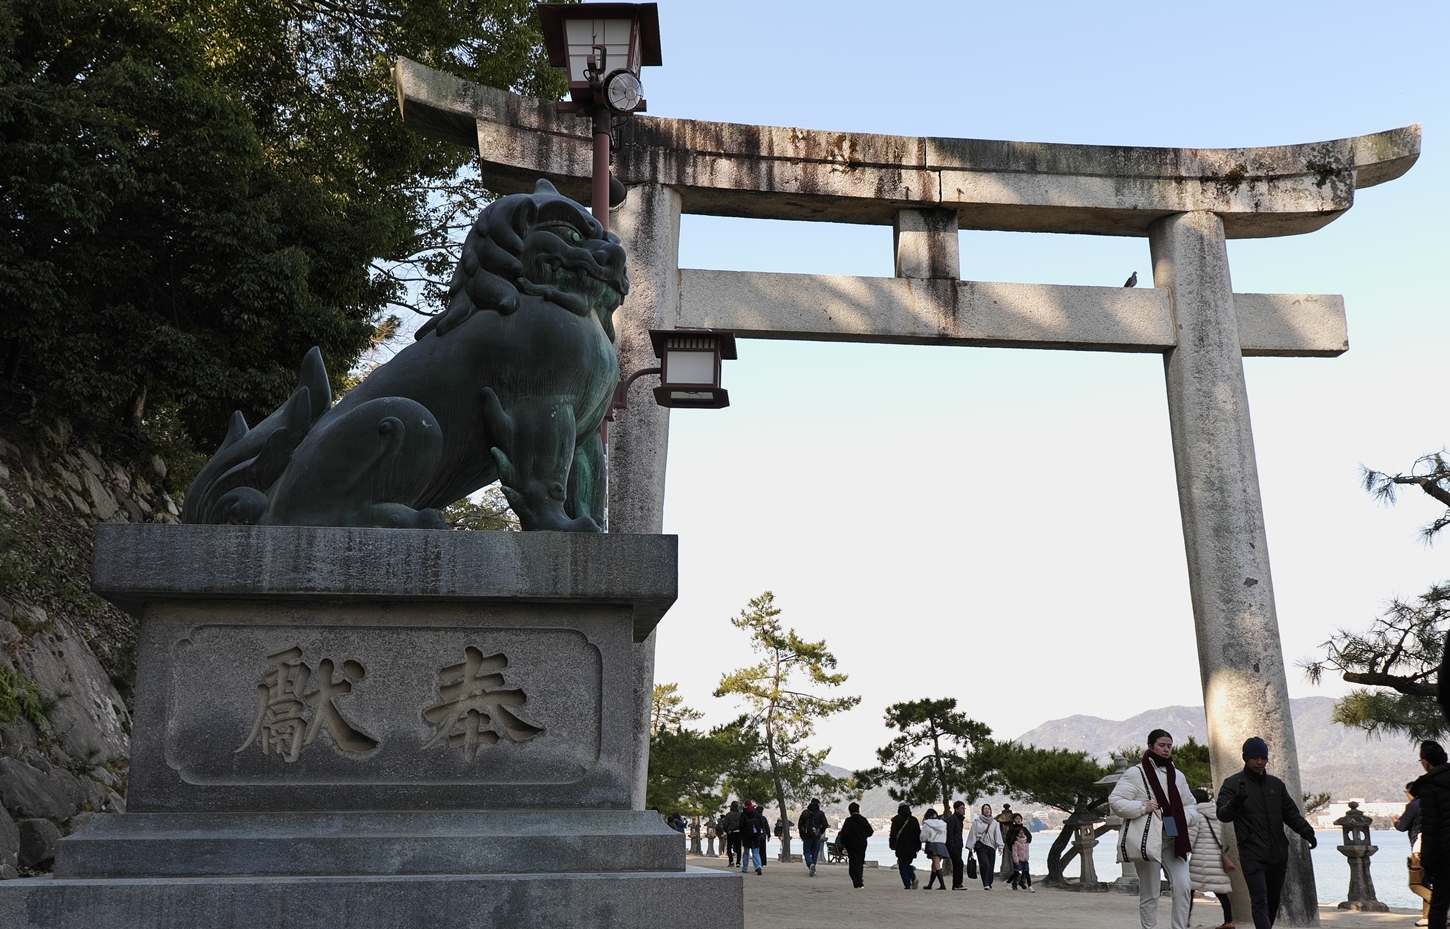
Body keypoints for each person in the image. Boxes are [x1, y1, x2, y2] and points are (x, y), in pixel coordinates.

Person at [1216, 736, 1318, 929]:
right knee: (1259, 900)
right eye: (1255, 758)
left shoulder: (1276, 785)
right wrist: (1236, 801)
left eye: (1263, 757)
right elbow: (1223, 814)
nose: (1259, 762)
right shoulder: (1232, 783)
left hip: (1278, 852)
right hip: (1251, 851)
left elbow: (1291, 813)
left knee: (1272, 901)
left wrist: (1306, 831)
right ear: (1246, 758)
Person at [1110, 728, 1198, 929]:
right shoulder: (1135, 773)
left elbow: (1190, 804)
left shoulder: (1178, 775)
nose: (1166, 750)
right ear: (1150, 746)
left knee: (1183, 886)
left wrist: (1182, 817)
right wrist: (1143, 807)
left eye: (1169, 746)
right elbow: (1115, 801)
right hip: (1147, 840)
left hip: (1173, 838)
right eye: (1162, 745)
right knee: (1150, 892)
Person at [1413, 740, 1450, 929]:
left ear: (1426, 762)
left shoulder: (1429, 786)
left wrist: (1428, 863)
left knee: (1439, 905)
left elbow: (1430, 828)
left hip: (1445, 853)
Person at [1188, 787, 1235, 929]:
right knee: (1220, 891)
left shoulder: (1196, 816)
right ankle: (1229, 921)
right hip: (1215, 858)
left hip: (1200, 858)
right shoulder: (1216, 816)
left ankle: (1185, 918)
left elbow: (1191, 838)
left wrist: (1183, 851)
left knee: (1189, 889)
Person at [1398, 778, 1431, 928]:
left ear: (1410, 791)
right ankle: (1427, 916)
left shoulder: (1413, 805)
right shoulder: (1433, 803)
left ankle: (1438, 902)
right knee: (1426, 883)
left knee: (1415, 883)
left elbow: (1402, 826)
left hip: (1419, 849)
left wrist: (1396, 822)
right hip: (1437, 848)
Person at [965, 802, 1002, 890]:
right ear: (982, 811)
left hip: (991, 846)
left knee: (991, 865)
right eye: (985, 809)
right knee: (985, 864)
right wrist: (970, 846)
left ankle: (989, 883)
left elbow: (997, 834)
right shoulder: (977, 821)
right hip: (980, 845)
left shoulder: (994, 822)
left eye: (988, 809)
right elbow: (973, 833)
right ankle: (985, 883)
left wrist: (1000, 846)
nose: (987, 810)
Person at [889, 802, 922, 890]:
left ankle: (908, 884)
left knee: (903, 865)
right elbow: (918, 834)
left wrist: (892, 845)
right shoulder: (914, 820)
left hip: (901, 847)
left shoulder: (896, 819)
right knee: (907, 863)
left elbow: (893, 833)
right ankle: (913, 878)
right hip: (912, 848)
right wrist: (918, 847)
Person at [797, 798, 830, 877]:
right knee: (815, 853)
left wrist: (802, 835)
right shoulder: (820, 814)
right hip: (816, 837)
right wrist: (820, 831)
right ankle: (813, 866)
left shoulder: (805, 813)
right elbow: (825, 824)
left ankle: (810, 864)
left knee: (807, 852)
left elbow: (800, 825)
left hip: (807, 836)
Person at [920, 808, 948, 889]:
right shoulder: (943, 824)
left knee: (936, 865)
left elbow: (923, 837)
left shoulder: (927, 824)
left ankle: (942, 885)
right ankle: (930, 885)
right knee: (934, 866)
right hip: (942, 845)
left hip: (933, 845)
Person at [739, 800, 767, 875]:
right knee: (756, 852)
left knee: (746, 852)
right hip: (755, 836)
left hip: (746, 836)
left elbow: (741, 826)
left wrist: (741, 835)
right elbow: (761, 824)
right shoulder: (756, 813)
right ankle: (758, 866)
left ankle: (745, 868)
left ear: (745, 805)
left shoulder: (743, 814)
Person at [1005, 813, 1032, 890]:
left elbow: (1029, 837)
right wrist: (1015, 841)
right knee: (1016, 869)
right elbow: (1008, 839)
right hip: (1016, 851)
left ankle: (1022, 881)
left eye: (1019, 818)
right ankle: (1014, 883)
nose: (1018, 820)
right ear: (1014, 820)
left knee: (1025, 869)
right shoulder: (1011, 829)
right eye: (1016, 818)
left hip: (1024, 852)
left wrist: (1025, 841)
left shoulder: (1024, 829)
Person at [947, 800, 967, 890]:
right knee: (959, 863)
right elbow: (949, 833)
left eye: (964, 808)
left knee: (958, 864)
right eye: (962, 808)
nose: (963, 810)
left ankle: (958, 884)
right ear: (956, 809)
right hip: (953, 846)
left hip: (958, 845)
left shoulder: (959, 820)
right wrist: (951, 845)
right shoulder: (952, 819)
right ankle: (956, 884)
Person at [722, 800, 742, 868]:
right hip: (739, 832)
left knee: (729, 847)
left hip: (731, 832)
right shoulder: (741, 815)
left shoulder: (728, 815)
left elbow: (725, 824)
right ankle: (738, 862)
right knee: (738, 848)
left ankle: (731, 861)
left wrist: (727, 830)